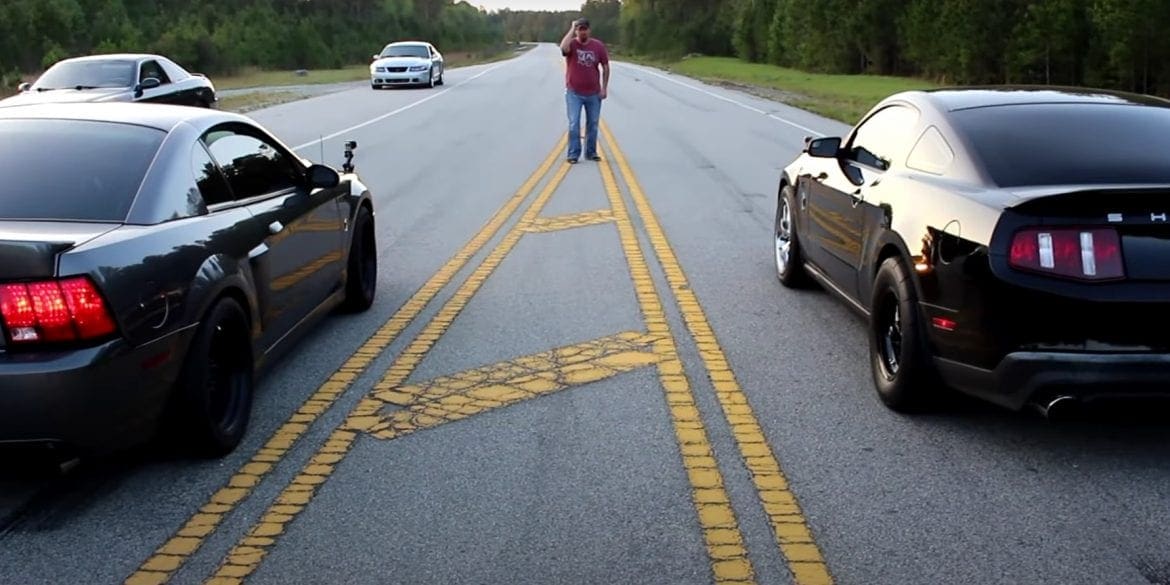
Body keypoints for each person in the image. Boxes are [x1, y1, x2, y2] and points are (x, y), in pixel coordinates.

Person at [560, 17, 610, 164]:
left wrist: (604, 88)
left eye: (584, 29)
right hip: (574, 92)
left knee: (593, 124)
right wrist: (571, 28)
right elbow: (563, 49)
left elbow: (606, 66)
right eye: (579, 29)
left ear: (589, 30)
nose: (582, 32)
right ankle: (573, 154)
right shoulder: (572, 44)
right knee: (574, 123)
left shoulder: (598, 46)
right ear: (576, 30)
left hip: (594, 93)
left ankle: (591, 152)